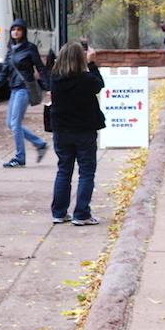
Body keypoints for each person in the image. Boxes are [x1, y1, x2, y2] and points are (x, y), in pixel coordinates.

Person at [48, 42, 106, 226]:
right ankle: (81, 213)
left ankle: (59, 212)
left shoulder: (55, 78)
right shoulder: (86, 79)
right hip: (84, 131)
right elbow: (99, 85)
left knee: (64, 170)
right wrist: (92, 64)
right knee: (86, 172)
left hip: (61, 131)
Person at [0, 18, 48, 168]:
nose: (16, 32)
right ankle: (40, 144)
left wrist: (49, 86)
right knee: (10, 124)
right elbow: (4, 72)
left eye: (19, 29)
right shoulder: (10, 50)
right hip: (14, 90)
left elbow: (41, 68)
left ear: (24, 32)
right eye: (13, 29)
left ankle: (20, 158)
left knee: (15, 124)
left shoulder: (30, 48)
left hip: (24, 89)